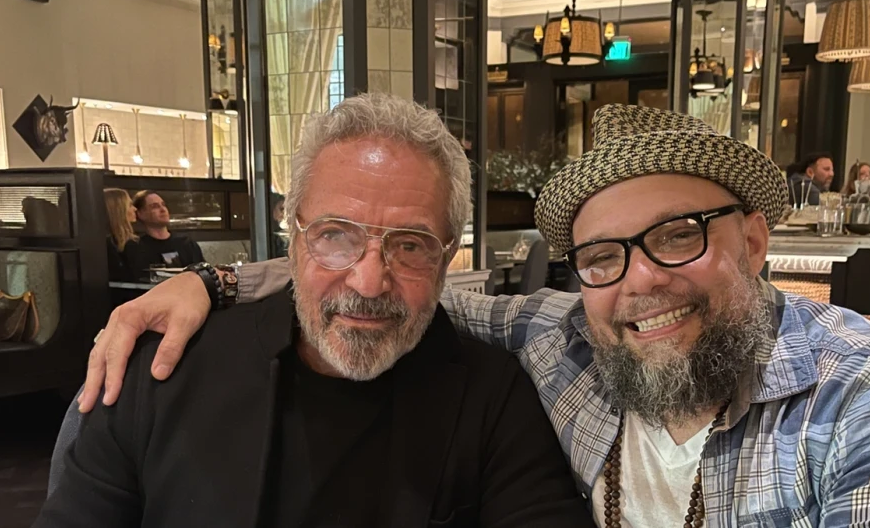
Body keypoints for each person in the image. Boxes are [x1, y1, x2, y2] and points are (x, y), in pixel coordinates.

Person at [78, 104, 870, 527]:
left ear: (752, 238)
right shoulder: (567, 336)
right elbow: (375, 294)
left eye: (678, 235)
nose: (642, 281)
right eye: (604, 255)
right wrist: (216, 282)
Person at [35, 94, 592, 528]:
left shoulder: (494, 400)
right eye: (335, 236)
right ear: (294, 238)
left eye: (410, 245)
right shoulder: (163, 372)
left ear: (446, 258)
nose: (369, 282)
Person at [128, 190, 205, 276]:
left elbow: (204, 276)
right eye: (155, 206)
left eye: (163, 205)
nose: (163, 209)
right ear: (140, 214)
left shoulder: (187, 243)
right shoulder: (135, 247)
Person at [103, 188, 140, 282]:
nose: (135, 209)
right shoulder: (107, 245)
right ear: (119, 210)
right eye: (130, 205)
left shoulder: (130, 242)